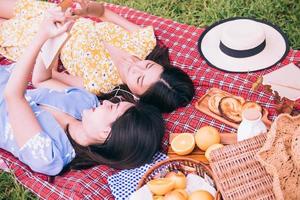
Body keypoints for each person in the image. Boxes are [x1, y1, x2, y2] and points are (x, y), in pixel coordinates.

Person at [0, 8, 165, 176]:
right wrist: (56, 37)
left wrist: (41, 37)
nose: (106, 102)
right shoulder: (87, 102)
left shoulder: (49, 156)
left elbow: (13, 96)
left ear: (105, 133)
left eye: (111, 108)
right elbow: (41, 80)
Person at [0, 0, 195, 113]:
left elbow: (44, 77)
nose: (136, 67)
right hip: (56, 13)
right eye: (148, 66)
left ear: (136, 94)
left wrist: (55, 39)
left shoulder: (99, 85)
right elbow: (102, 12)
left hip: (40, 37)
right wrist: (85, 9)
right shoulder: (144, 42)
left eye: (139, 77)